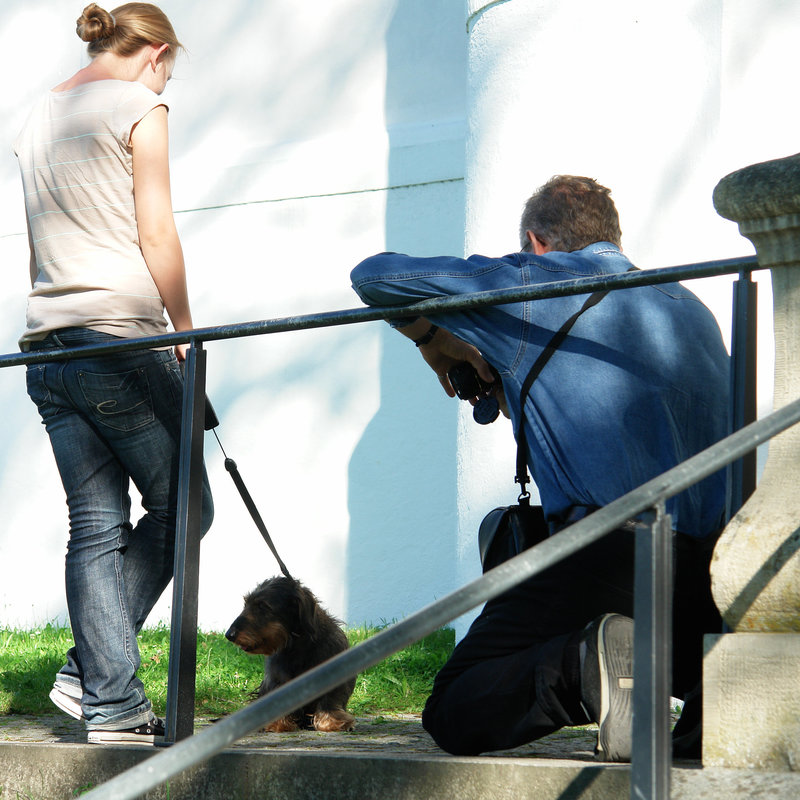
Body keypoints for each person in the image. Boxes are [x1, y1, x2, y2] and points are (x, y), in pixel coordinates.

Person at [350, 175, 728, 761]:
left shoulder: (536, 282)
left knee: (455, 708)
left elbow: (376, 275)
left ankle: (584, 669)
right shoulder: (690, 307)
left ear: (536, 242)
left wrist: (432, 335)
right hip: (711, 572)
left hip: (608, 551)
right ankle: (714, 696)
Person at [14, 3, 213, 745]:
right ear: (155, 53)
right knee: (186, 504)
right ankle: (99, 680)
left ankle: (108, 699)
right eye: (172, 69)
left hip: (47, 341)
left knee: (95, 524)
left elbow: (38, 242)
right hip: (120, 340)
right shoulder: (140, 105)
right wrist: (186, 329)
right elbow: (155, 228)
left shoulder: (38, 116)